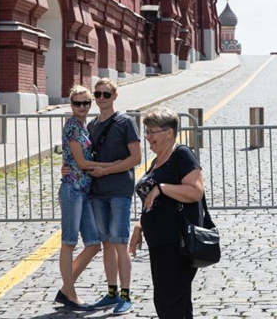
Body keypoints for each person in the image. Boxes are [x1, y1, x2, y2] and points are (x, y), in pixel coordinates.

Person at [128, 106, 204, 318]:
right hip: (160, 243)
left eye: (152, 131)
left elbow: (196, 192)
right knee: (171, 303)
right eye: (147, 131)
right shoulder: (156, 161)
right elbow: (153, 202)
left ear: (169, 132)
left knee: (169, 303)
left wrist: (163, 188)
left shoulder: (181, 154)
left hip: (176, 243)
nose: (148, 136)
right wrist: (140, 226)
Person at [86, 78, 141, 314]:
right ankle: (111, 293)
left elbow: (135, 158)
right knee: (107, 243)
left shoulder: (126, 122)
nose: (100, 99)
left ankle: (126, 295)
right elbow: (84, 159)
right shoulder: (91, 126)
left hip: (119, 191)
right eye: (97, 94)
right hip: (97, 192)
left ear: (114, 97)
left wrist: (107, 170)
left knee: (119, 242)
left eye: (105, 95)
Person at [54, 85, 102, 310]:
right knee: (69, 243)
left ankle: (65, 289)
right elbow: (81, 163)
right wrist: (112, 166)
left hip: (84, 191)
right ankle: (71, 294)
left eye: (86, 103)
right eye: (77, 103)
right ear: (70, 104)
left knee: (93, 244)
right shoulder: (73, 126)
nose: (81, 107)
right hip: (72, 190)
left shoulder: (85, 126)